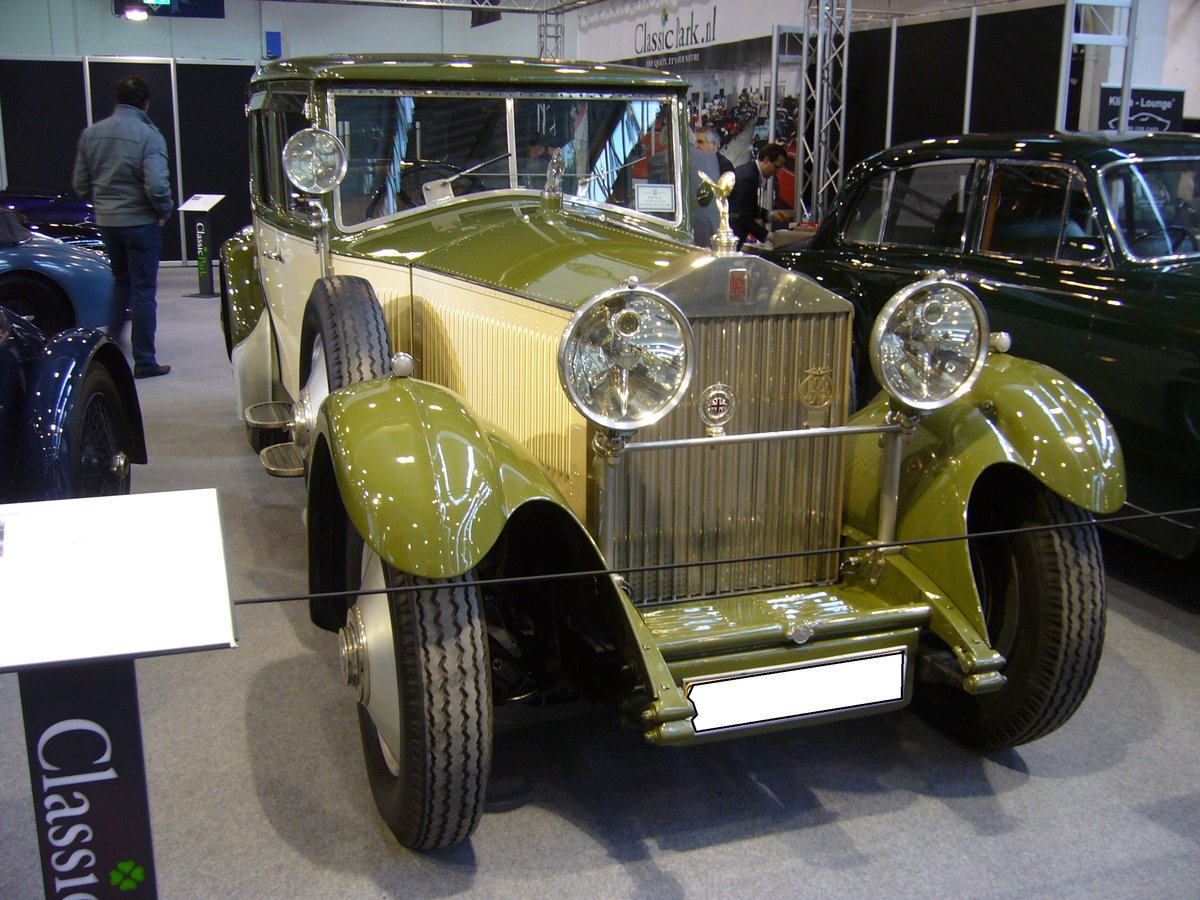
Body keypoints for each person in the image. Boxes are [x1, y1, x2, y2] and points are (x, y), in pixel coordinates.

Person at [73, 75, 174, 378]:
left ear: (117, 101)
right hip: (142, 223)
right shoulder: (149, 135)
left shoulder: (92, 134)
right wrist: (164, 210)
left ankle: (111, 353)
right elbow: (157, 185)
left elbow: (80, 185)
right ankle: (144, 361)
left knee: (120, 285)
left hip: (108, 223)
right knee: (143, 291)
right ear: (146, 104)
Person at [728, 141, 787, 248]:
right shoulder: (749, 177)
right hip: (733, 236)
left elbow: (749, 207)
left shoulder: (750, 171)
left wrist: (769, 215)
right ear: (766, 160)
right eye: (777, 167)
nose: (777, 172)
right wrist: (769, 236)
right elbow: (743, 216)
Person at [689, 129, 723, 248]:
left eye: (700, 142)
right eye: (695, 142)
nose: (696, 146)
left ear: (714, 145)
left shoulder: (723, 165)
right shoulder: (695, 163)